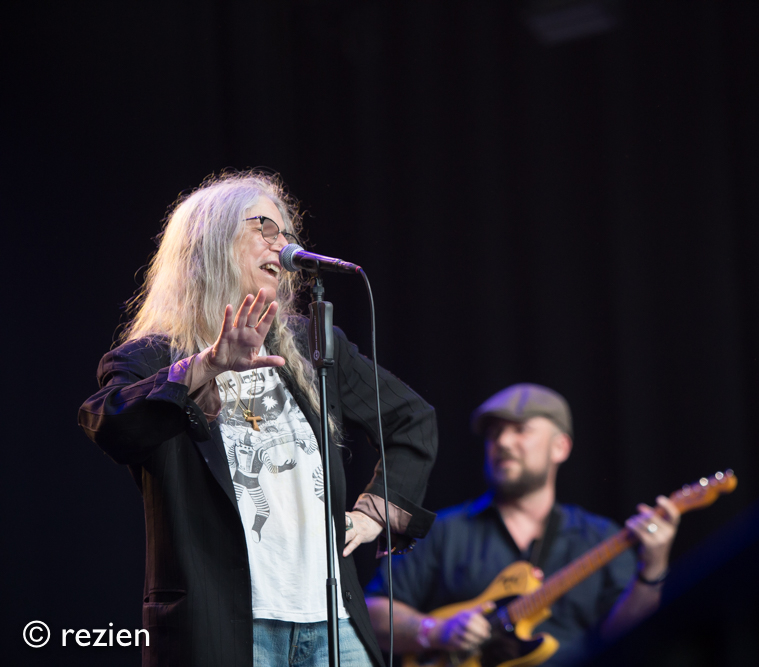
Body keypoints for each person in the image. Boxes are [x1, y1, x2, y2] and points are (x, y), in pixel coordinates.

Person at [79, 172, 438, 667]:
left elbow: (411, 418)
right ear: (210, 244)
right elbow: (110, 423)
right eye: (264, 227)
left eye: (286, 231)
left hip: (334, 624)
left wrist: (377, 511)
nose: (283, 243)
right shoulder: (152, 358)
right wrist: (206, 365)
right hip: (228, 628)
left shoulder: (310, 345)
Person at [365, 383, 680, 666]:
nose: (502, 441)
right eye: (494, 433)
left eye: (521, 430)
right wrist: (434, 631)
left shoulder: (601, 536)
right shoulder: (443, 531)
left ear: (560, 447)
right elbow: (373, 611)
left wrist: (653, 568)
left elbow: (632, 635)